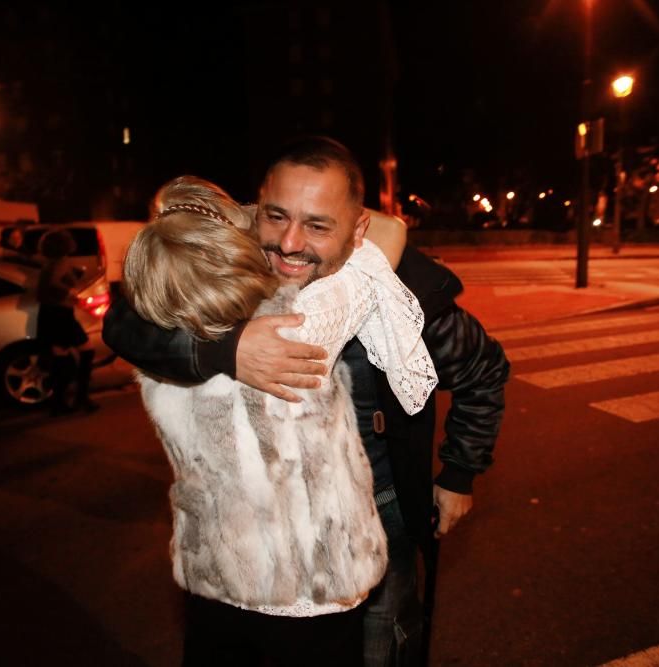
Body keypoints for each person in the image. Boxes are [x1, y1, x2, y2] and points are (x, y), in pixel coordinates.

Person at [104, 136, 510, 666]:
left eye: (318, 226)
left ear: (358, 228)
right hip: (253, 537)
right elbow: (125, 324)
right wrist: (225, 349)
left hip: (382, 508)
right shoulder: (224, 267)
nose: (291, 244)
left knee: (383, 648)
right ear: (256, 209)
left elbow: (485, 370)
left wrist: (459, 474)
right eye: (276, 217)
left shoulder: (395, 286)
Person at [35, 228, 100, 415]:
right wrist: (70, 293)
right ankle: (80, 398)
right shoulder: (60, 262)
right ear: (65, 245)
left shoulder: (49, 263)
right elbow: (54, 285)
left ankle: (59, 402)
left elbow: (44, 290)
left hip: (51, 315)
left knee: (61, 359)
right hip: (61, 316)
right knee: (86, 353)